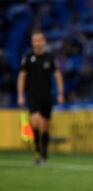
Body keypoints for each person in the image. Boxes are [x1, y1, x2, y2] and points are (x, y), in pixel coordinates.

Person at [17, 30, 64, 164]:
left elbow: (58, 75)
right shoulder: (27, 57)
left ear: (43, 41)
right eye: (35, 40)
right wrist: (20, 95)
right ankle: (37, 151)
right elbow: (21, 76)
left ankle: (44, 153)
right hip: (32, 96)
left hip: (47, 96)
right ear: (32, 42)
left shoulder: (49, 57)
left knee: (45, 126)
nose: (37, 42)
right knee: (36, 121)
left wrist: (60, 93)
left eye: (39, 40)